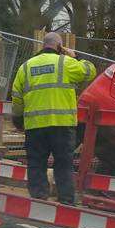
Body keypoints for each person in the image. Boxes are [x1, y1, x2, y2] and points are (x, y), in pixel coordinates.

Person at [11, 32, 96, 204]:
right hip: (61, 126)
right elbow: (90, 71)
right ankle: (66, 200)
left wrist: (18, 118)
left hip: (35, 126)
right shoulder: (66, 63)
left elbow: (17, 97)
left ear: (43, 45)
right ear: (59, 47)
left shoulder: (25, 67)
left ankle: (38, 198)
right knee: (63, 164)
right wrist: (76, 56)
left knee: (36, 164)